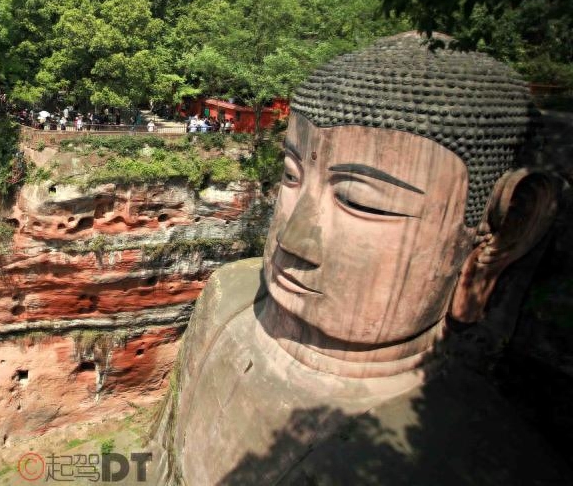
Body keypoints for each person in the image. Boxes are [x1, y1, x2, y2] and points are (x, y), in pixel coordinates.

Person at [153, 32, 566, 485]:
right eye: (291, 176)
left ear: (501, 234)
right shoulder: (228, 297)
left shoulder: (467, 455)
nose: (292, 240)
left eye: (362, 203)